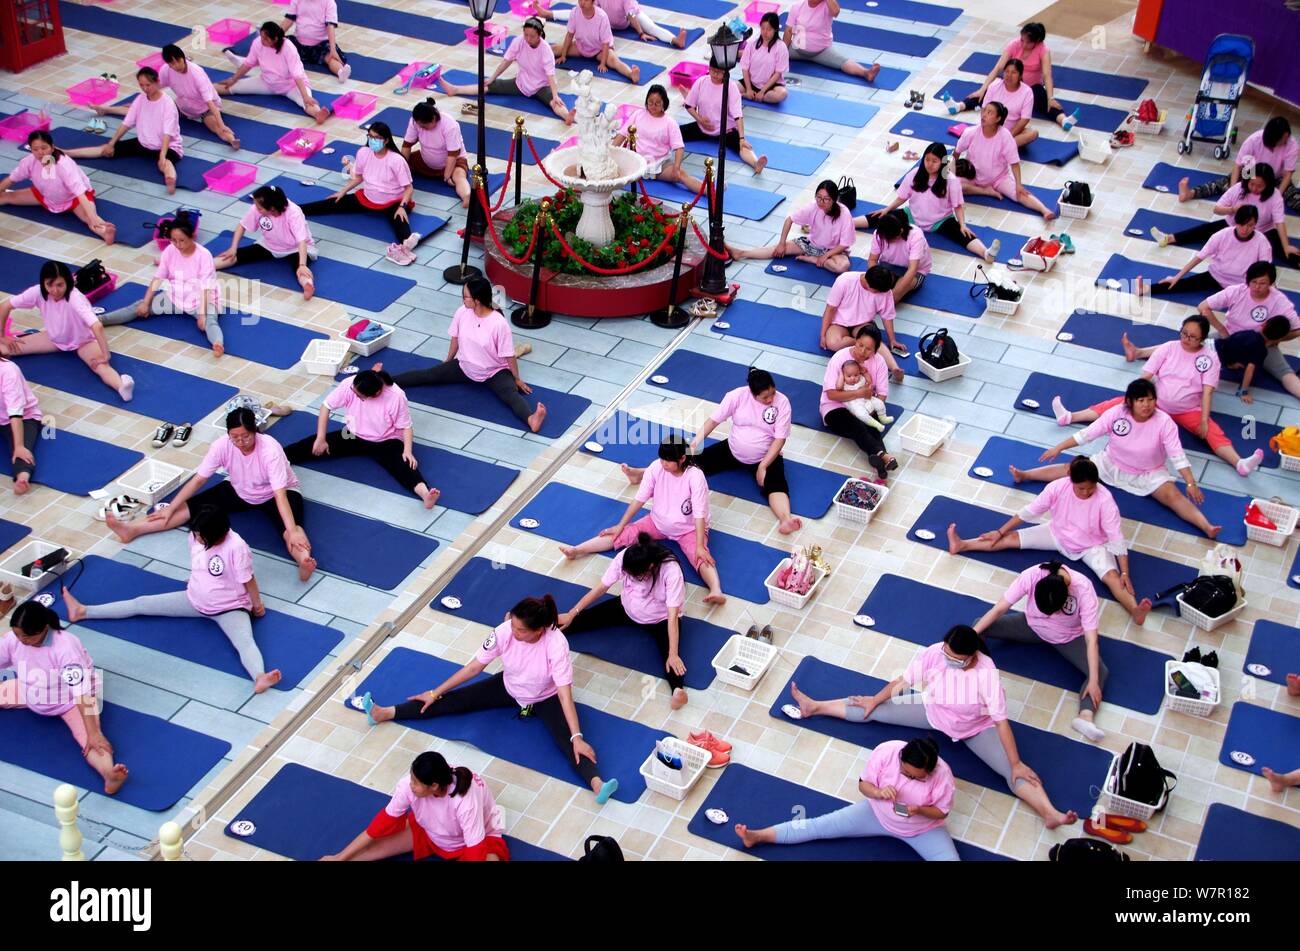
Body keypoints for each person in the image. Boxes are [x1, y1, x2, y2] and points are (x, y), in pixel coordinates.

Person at [790, 624, 1079, 829]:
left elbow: (1001, 723)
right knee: (872, 709)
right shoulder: (935, 653)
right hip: (932, 710)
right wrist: (875, 700)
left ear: (972, 656)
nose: (948, 659)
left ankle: (1049, 812)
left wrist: (1015, 762)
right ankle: (815, 706)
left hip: (975, 728)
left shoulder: (986, 674)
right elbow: (904, 682)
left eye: (955, 658)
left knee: (1012, 771)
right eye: (947, 653)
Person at [360, 595, 621, 805]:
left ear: (539, 630)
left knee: (569, 741)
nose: (513, 630)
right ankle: (385, 713)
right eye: (513, 624)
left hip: (545, 697)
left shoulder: (556, 644)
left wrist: (577, 736)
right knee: (450, 701)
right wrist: (435, 691)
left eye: (520, 629)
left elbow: (564, 692)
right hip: (508, 686)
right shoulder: (505, 630)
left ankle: (596, 783)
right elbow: (474, 668)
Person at [63, 506, 282, 694]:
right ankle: (83, 611)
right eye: (195, 534)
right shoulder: (196, 537)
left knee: (244, 642)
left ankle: (259, 676)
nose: (196, 538)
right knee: (142, 603)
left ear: (216, 533)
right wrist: (198, 579)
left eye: (201, 536)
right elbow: (199, 561)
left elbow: (248, 579)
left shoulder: (236, 546)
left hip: (229, 608)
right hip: (193, 599)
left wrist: (257, 605)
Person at [105, 407, 317, 582]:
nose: (241, 441)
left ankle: (304, 560)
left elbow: (280, 495)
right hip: (239, 488)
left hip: (278, 492)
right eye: (235, 437)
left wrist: (292, 529)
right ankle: (132, 530)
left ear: (256, 432)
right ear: (228, 434)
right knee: (185, 509)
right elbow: (199, 479)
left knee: (292, 530)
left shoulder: (270, 450)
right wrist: (170, 506)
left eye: (246, 436)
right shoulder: (222, 446)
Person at [947, 456, 1152, 625]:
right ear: (1071, 480)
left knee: (1112, 577)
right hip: (1057, 533)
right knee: (1009, 539)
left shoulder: (1105, 500)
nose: (1087, 492)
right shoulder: (1057, 487)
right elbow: (1030, 511)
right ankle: (963, 544)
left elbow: (1116, 538)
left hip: (1092, 546)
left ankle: (1135, 611)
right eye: (1081, 489)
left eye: (1091, 488)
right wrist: (1000, 531)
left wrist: (1125, 572)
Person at [1060, 315, 1264, 477]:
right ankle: (1070, 416)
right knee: (1114, 405)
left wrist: (1203, 420)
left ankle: (1239, 463)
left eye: (1193, 337)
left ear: (1202, 339)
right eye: (1184, 333)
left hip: (1188, 410)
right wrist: (1136, 400)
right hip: (1156, 403)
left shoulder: (1210, 358)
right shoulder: (1168, 347)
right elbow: (1146, 377)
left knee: (1212, 431)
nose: (1186, 339)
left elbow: (1208, 391)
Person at [1024, 378, 1221, 539]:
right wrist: (1059, 447)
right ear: (1130, 402)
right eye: (1141, 400)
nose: (1146, 405)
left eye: (1150, 400)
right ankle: (1025, 475)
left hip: (1149, 472)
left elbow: (1177, 455)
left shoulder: (1164, 422)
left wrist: (1190, 483)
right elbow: (1088, 434)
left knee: (1173, 496)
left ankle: (1206, 526)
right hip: (1110, 463)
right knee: (1073, 468)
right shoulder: (1117, 412)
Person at [562, 435, 726, 606]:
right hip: (657, 522)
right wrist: (620, 525)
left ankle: (716, 590)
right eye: (662, 459)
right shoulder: (656, 467)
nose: (663, 463)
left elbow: (699, 514)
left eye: (668, 461)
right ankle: (577, 550)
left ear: (682, 458)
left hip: (689, 529)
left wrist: (699, 546)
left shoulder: (695, 476)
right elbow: (639, 499)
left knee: (700, 556)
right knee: (622, 534)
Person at [733, 738, 960, 860]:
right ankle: (757, 836)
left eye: (915, 778)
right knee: (818, 826)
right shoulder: (887, 751)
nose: (908, 778)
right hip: (876, 814)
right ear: (901, 757)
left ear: (930, 771)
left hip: (922, 829)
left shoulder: (943, 776)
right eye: (905, 771)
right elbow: (863, 785)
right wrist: (878, 793)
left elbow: (942, 812)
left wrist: (919, 810)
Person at [972, 561, 1109, 742]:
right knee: (979, 625)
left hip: (1066, 637)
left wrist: (1093, 680)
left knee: (1100, 672)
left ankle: (1085, 717)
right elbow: (1000, 608)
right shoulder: (1033, 574)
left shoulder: (1083, 589)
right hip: (1031, 626)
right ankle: (974, 678)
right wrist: (970, 636)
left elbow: (1092, 640)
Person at [2, 600, 128, 795]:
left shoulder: (66, 648)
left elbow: (81, 694)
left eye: (25, 636)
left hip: (69, 701)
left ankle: (109, 774)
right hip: (30, 691)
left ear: (43, 629)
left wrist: (93, 732)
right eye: (17, 635)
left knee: (92, 740)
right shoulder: (15, 639)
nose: (20, 640)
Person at [390, 278, 547, 433]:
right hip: (464, 366)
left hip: (494, 371)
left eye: (465, 296)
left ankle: (531, 419)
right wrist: (447, 361)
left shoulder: (499, 324)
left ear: (477, 300)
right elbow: (455, 338)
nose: (462, 299)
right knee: (428, 375)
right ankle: (386, 381)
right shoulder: (462, 312)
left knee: (510, 395)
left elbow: (508, 354)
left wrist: (516, 378)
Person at [558, 532, 689, 709]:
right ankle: (543, 625)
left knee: (670, 656)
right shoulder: (626, 557)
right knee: (583, 619)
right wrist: (573, 612)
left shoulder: (671, 571)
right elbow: (601, 588)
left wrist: (673, 653)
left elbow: (672, 615)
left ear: (650, 567)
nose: (633, 579)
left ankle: (677, 690)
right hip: (626, 608)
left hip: (660, 619)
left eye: (637, 576)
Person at [283, 367, 442, 509]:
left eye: (359, 396)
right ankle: (280, 459)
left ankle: (425, 494)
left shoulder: (396, 396)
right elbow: (326, 406)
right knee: (309, 445)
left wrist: (408, 450)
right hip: (351, 433)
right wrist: (321, 438)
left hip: (386, 440)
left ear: (376, 394)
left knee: (404, 466)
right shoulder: (350, 384)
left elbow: (406, 426)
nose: (355, 395)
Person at [322, 752, 509, 861]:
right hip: (428, 832)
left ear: (434, 786)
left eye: (416, 782)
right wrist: (338, 857)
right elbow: (377, 828)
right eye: (412, 778)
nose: (411, 785)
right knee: (367, 852)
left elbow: (475, 851)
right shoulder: (409, 786)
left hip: (480, 839)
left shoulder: (465, 801)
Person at [681, 366, 801, 534]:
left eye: (772, 393)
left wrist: (763, 466)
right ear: (752, 393)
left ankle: (786, 519)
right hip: (732, 449)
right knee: (692, 463)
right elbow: (713, 420)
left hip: (766, 456)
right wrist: (694, 444)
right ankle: (645, 473)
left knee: (776, 485)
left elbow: (780, 438)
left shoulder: (782, 402)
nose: (770, 399)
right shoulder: (736, 396)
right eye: (765, 397)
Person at [0, 261, 133, 401]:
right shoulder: (37, 292)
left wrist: (106, 355)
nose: (55, 290)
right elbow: (5, 306)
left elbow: (97, 326)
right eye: (49, 285)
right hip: (54, 338)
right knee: (5, 348)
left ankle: (121, 386)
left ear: (68, 283)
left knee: (100, 366)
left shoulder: (75, 298)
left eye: (59, 285)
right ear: (43, 283)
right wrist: (2, 335)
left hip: (84, 341)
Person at [101, 214, 225, 357]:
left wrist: (202, 315)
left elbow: (206, 288)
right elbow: (157, 278)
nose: (178, 245)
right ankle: (101, 320)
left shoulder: (204, 255)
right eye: (174, 240)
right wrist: (146, 303)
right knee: (138, 307)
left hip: (201, 299)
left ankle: (217, 343)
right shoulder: (170, 250)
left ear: (192, 237)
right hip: (175, 296)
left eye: (182, 240)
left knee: (210, 321)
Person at [300, 122, 421, 267]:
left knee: (400, 223)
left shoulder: (397, 160)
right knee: (331, 203)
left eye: (377, 137)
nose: (372, 140)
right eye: (370, 136)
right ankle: (297, 209)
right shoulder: (363, 152)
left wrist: (402, 206)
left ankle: (406, 244)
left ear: (387, 140)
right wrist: (342, 192)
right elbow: (359, 177)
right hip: (367, 197)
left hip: (393, 201)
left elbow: (408, 188)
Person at [856, 143, 999, 264]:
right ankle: (851, 223)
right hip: (912, 216)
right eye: (927, 160)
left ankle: (986, 253)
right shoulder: (915, 174)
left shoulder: (950, 180)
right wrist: (887, 209)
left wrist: (962, 224)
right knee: (882, 217)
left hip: (941, 220)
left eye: (934, 161)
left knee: (962, 234)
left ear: (942, 162)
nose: (929, 164)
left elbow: (958, 205)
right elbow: (902, 197)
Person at [63, 67, 183, 194]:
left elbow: (167, 133)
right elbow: (126, 123)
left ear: (157, 82)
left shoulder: (167, 103)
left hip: (168, 146)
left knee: (166, 164)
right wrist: (111, 143)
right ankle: (67, 153)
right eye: (142, 85)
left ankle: (170, 180)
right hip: (144, 143)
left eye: (148, 85)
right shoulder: (141, 99)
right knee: (105, 149)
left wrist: (162, 156)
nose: (145, 88)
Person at [1153, 163, 1298, 266]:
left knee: (1287, 253)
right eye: (1252, 184)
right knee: (1204, 230)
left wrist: (1286, 246)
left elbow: (1279, 222)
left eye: (1259, 186)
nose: (1254, 188)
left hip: (1262, 231)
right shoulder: (1239, 188)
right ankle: (1168, 238)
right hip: (1234, 226)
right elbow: (1217, 209)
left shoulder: (1275, 196)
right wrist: (1233, 209)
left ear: (1268, 185)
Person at [1197, 261, 1300, 398]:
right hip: (1230, 337)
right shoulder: (1237, 291)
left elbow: (1297, 329)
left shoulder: (1280, 301)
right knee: (1191, 346)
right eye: (1253, 282)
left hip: (1264, 344)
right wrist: (1222, 330)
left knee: (1285, 373)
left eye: (1262, 283)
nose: (1257, 287)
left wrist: (1276, 339)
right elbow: (1203, 307)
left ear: (1271, 283)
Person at [439, 18, 571, 124]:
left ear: (540, 35)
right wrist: (492, 78)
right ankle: (455, 90)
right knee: (489, 86)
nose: (528, 39)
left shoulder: (545, 50)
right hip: (521, 83)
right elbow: (506, 61)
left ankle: (567, 116)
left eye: (532, 36)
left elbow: (551, 76)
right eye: (526, 35)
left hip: (541, 86)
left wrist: (555, 95)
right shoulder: (519, 41)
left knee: (555, 102)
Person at [0, 131, 115, 243]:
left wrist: (93, 216)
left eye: (44, 148)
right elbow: (11, 179)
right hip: (43, 194)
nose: (40, 152)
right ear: (31, 149)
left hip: (73, 198)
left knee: (89, 219)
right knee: (7, 196)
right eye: (35, 149)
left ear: (52, 147)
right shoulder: (29, 162)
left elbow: (80, 192)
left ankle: (105, 231)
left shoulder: (64, 165)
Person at [964, 22, 1077, 134]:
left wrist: (1050, 98)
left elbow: (1047, 75)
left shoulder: (1043, 50)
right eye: (1022, 40)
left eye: (1028, 42)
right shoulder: (1014, 44)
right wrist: (983, 89)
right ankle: (960, 106)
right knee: (989, 91)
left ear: (1037, 41)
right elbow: (998, 68)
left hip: (1032, 88)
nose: (1023, 44)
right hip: (1010, 84)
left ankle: (1063, 120)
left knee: (1045, 100)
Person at [821, 324, 900, 481]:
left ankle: (881, 464)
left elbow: (882, 394)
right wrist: (858, 394)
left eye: (868, 349)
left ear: (876, 350)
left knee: (870, 425)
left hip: (865, 404)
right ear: (855, 341)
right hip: (836, 408)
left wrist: (868, 409)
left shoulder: (879, 362)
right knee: (856, 426)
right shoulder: (839, 358)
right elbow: (831, 394)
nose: (862, 351)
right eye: (860, 345)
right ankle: (884, 456)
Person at [1139, 206, 1271, 298]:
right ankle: (1146, 289)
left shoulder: (1261, 242)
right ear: (1236, 222)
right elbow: (1200, 257)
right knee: (1182, 285)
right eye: (1242, 224)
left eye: (1250, 225)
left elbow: (1265, 270)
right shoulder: (1223, 235)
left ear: (1255, 225)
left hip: (1242, 284)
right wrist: (1177, 276)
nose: (1245, 229)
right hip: (1216, 275)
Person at [954, 101, 1056, 221]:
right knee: (953, 186)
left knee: (1019, 194)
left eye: (989, 112)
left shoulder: (1005, 137)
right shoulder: (970, 132)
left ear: (998, 118)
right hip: (972, 176)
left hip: (999, 178)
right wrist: (946, 174)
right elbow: (956, 153)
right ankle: (985, 191)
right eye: (984, 111)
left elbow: (1014, 163)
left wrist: (1018, 184)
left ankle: (1044, 210)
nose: (984, 115)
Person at [213, 184, 317, 300]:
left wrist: (302, 265)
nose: (256, 208)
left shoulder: (293, 213)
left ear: (272, 209)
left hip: (296, 248)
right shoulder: (258, 207)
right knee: (237, 255)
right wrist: (233, 248)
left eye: (259, 208)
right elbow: (242, 226)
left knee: (300, 268)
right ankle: (207, 265)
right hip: (269, 245)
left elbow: (301, 241)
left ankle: (307, 285)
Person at [215, 21, 331, 124]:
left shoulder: (288, 48)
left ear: (275, 39)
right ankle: (207, 91)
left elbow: (297, 74)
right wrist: (233, 79)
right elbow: (248, 63)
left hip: (291, 85)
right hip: (267, 82)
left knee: (307, 103)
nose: (262, 40)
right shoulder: (258, 43)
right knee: (232, 87)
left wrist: (305, 96)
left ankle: (318, 114)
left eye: (265, 39)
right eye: (261, 37)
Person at [728, 179, 854, 273]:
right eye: (818, 198)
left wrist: (825, 256)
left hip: (833, 251)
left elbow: (844, 244)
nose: (821, 202)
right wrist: (782, 243)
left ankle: (813, 259)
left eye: (826, 199)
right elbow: (790, 220)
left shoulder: (844, 213)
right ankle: (742, 253)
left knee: (842, 267)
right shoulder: (813, 206)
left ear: (834, 199)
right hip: (811, 244)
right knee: (776, 249)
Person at [1179, 117, 1297, 211]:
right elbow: (1238, 166)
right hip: (1252, 173)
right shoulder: (1254, 140)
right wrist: (1232, 190)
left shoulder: (1292, 145)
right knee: (1224, 184)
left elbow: (1287, 175)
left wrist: (1276, 196)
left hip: (1276, 178)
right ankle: (1190, 193)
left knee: (1294, 198)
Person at [681, 59, 768, 174]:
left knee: (741, 146)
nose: (715, 75)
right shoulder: (701, 82)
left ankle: (755, 163)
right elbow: (689, 105)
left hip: (726, 130)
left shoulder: (731, 87)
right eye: (712, 71)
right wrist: (700, 120)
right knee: (677, 133)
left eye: (719, 72)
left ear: (725, 72)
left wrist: (742, 138)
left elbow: (738, 115)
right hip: (702, 126)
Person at [613, 84, 702, 194]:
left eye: (657, 103)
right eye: (650, 102)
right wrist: (611, 152)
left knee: (681, 175)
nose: (653, 106)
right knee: (610, 169)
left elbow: (679, 147)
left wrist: (676, 167)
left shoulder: (670, 122)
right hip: (635, 162)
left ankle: (712, 192)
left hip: (659, 164)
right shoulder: (638, 115)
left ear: (664, 103)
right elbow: (621, 135)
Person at [946, 58, 1046, 145]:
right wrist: (988, 128)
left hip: (1011, 130)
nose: (1009, 75)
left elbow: (1025, 119)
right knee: (970, 134)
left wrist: (1009, 136)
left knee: (1033, 133)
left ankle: (1002, 145)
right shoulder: (994, 86)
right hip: (991, 126)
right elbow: (984, 109)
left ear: (1020, 75)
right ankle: (999, 145)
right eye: (1006, 71)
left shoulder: (1027, 92)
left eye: (1013, 72)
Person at [158, 45, 239, 150]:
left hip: (204, 108)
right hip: (183, 105)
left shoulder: (197, 73)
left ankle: (231, 140)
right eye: (172, 63)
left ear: (183, 57)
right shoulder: (166, 71)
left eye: (178, 61)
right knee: (157, 111)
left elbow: (210, 103)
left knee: (216, 127)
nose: (177, 65)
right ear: (168, 64)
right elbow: (157, 87)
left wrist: (222, 124)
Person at [821, 265, 910, 361]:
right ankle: (864, 343)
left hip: (862, 324)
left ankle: (894, 367)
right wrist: (823, 334)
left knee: (872, 340)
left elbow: (887, 316)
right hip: (839, 323)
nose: (879, 293)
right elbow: (830, 308)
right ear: (868, 285)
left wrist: (892, 340)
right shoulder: (845, 280)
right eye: (876, 291)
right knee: (832, 343)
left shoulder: (885, 291)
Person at [783, 0, 880, 83]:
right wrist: (782, 51)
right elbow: (788, 31)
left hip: (822, 51)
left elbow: (836, 12)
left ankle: (866, 73)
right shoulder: (797, 6)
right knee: (774, 46)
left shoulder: (827, 6)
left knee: (843, 62)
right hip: (797, 49)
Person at [401, 98, 471, 208]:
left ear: (433, 119)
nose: (421, 128)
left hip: (452, 162)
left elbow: (453, 154)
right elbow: (406, 145)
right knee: (398, 163)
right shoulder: (415, 122)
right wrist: (401, 168)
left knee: (459, 176)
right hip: (425, 161)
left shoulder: (449, 125)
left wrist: (447, 176)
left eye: (424, 126)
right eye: (419, 125)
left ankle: (467, 196)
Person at [552, 0, 640, 83]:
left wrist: (603, 63)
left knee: (614, 61)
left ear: (593, 1)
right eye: (580, 0)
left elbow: (605, 43)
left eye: (586, 0)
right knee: (555, 48)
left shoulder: (602, 16)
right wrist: (563, 55)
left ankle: (630, 74)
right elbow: (569, 35)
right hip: (581, 46)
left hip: (600, 50)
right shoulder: (575, 12)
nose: (582, 3)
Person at [537, 0, 686, 49]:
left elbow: (631, 16)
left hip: (628, 19)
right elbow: (585, 8)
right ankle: (548, 14)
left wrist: (641, 33)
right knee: (576, 12)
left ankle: (675, 40)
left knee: (651, 27)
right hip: (608, 18)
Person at [866, 209, 933, 303]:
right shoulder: (879, 234)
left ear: (900, 231)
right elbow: (872, 260)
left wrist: (895, 292)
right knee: (869, 289)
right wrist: (874, 280)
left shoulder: (916, 236)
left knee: (892, 299)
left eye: (890, 238)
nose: (887, 241)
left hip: (916, 271)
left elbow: (912, 269)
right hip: (888, 266)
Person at [279, 0, 351, 84]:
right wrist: (275, 36)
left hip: (320, 44)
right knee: (283, 46)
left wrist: (333, 49)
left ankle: (340, 71)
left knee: (330, 58)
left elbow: (330, 27)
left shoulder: (329, 2)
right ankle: (276, 66)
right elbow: (288, 20)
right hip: (299, 43)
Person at [1, 356, 40, 495]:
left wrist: (19, 446)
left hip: (23, 417)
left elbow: (15, 411)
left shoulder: (8, 371)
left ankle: (23, 476)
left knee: (22, 448)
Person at [739, 13, 789, 103]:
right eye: (762, 28)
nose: (765, 32)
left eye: (769, 29)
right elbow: (745, 68)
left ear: (776, 29)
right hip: (751, 82)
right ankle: (749, 94)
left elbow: (778, 73)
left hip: (771, 86)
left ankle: (756, 96)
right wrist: (749, 89)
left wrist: (762, 91)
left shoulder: (781, 47)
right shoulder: (752, 44)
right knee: (729, 87)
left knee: (782, 94)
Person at [840, 359, 891, 430]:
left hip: (866, 399)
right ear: (843, 375)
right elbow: (838, 387)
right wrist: (840, 375)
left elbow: (869, 381)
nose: (853, 378)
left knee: (879, 403)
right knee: (861, 414)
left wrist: (865, 372)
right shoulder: (843, 384)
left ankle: (883, 417)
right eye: (849, 376)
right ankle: (876, 424)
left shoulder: (861, 379)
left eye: (856, 375)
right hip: (855, 404)